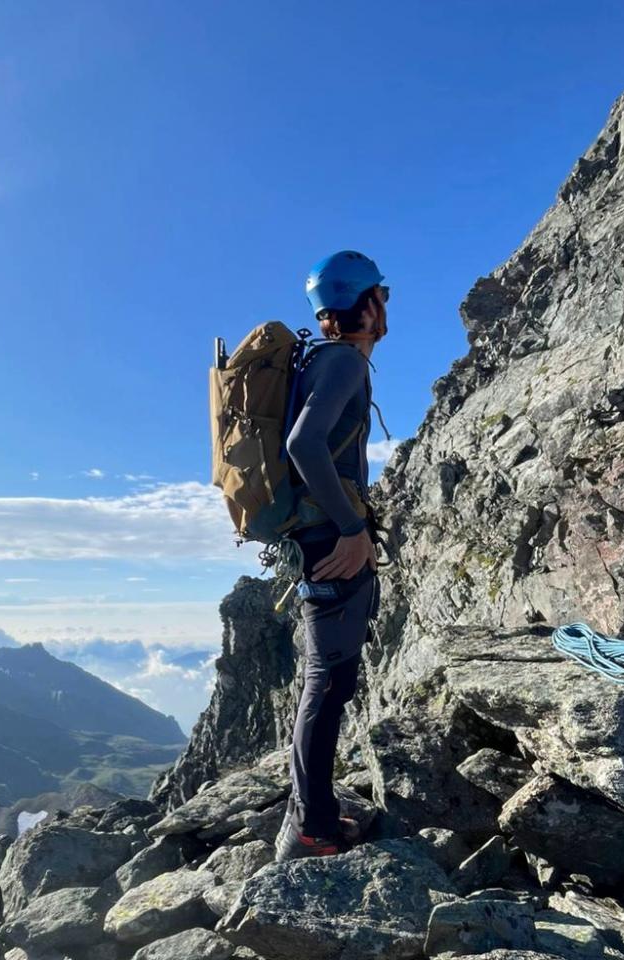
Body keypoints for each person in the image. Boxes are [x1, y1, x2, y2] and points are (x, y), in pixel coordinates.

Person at [274, 250, 389, 861]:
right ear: (368, 304)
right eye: (383, 295)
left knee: (327, 678)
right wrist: (351, 528)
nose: (386, 307)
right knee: (327, 681)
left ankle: (313, 812)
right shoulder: (343, 361)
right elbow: (304, 445)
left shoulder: (320, 360)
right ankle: (313, 827)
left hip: (314, 537)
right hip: (330, 541)